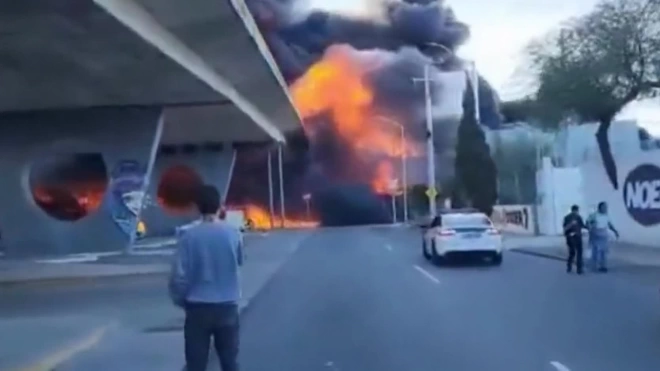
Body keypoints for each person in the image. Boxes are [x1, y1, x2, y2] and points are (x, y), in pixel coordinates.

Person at [169, 185, 244, 371]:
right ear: (220, 205)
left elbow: (179, 276)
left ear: (196, 206)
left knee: (196, 364)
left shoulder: (188, 236)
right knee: (229, 363)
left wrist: (181, 300)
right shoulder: (234, 233)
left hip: (197, 307)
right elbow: (239, 261)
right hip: (227, 305)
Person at [587, 201, 619, 273]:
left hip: (603, 233)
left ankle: (603, 266)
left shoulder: (606, 216)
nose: (605, 208)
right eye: (603, 207)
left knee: (603, 251)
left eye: (606, 207)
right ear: (599, 208)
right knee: (595, 251)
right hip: (595, 233)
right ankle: (594, 265)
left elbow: (610, 224)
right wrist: (590, 228)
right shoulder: (594, 215)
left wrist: (615, 231)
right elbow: (588, 222)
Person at [562, 205, 587, 274]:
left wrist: (588, 227)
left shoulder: (578, 217)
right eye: (576, 210)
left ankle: (577, 268)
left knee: (577, 252)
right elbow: (565, 227)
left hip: (576, 236)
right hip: (572, 236)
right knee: (574, 252)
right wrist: (571, 224)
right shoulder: (568, 217)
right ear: (573, 210)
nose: (576, 212)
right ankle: (571, 267)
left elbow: (582, 225)